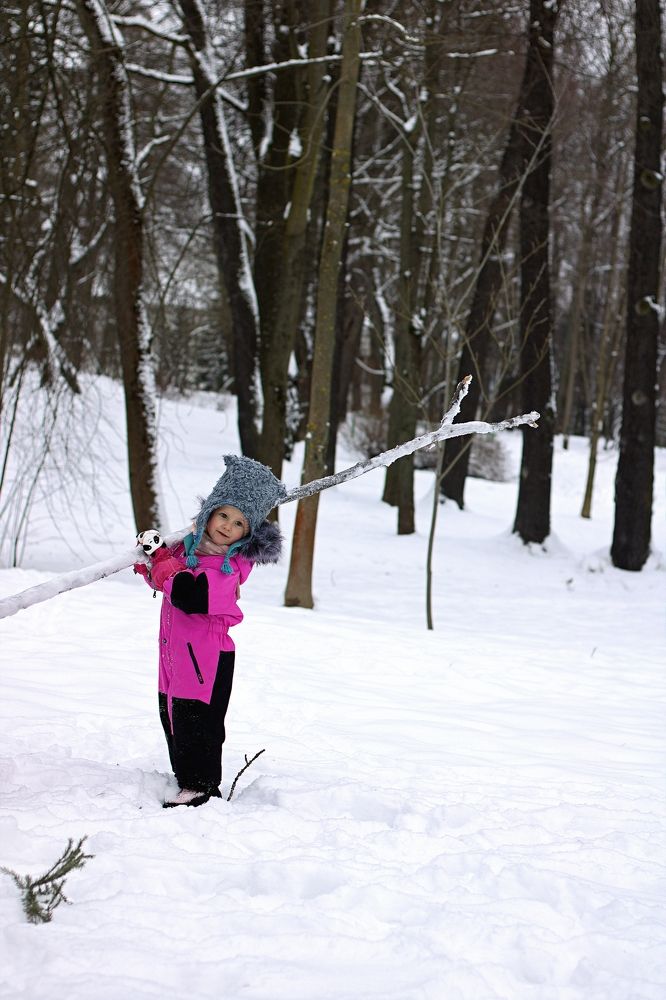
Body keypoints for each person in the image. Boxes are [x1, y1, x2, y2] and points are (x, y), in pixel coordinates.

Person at [134, 455, 286, 808]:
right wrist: (150, 560)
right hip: (174, 653)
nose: (227, 526)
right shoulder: (188, 550)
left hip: (206, 657)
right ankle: (185, 776)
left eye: (238, 523)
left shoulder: (229, 568)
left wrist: (160, 563)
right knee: (170, 714)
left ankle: (200, 786)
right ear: (209, 512)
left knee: (197, 722)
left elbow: (187, 594)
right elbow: (167, 576)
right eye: (223, 515)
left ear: (247, 533)